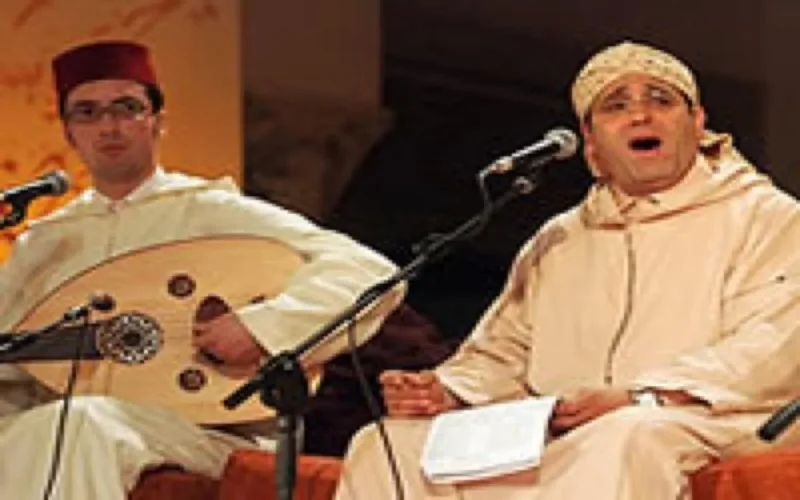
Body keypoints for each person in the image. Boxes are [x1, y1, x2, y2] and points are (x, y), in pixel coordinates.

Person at [334, 41, 800, 500]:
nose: (641, 116)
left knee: (624, 438)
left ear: (698, 126)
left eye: (661, 100)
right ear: (592, 146)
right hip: (553, 426)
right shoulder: (559, 238)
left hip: (705, 417)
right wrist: (446, 391)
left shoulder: (768, 217)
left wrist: (637, 396)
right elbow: (503, 351)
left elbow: (772, 346)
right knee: (388, 443)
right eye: (617, 106)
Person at [0, 40, 404, 499]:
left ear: (158, 122)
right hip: (67, 425)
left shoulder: (208, 211)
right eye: (87, 112)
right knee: (56, 426)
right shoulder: (47, 241)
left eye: (126, 108)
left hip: (207, 428)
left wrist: (262, 327)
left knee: (80, 421)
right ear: (69, 133)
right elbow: (12, 361)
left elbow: (369, 272)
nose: (108, 126)